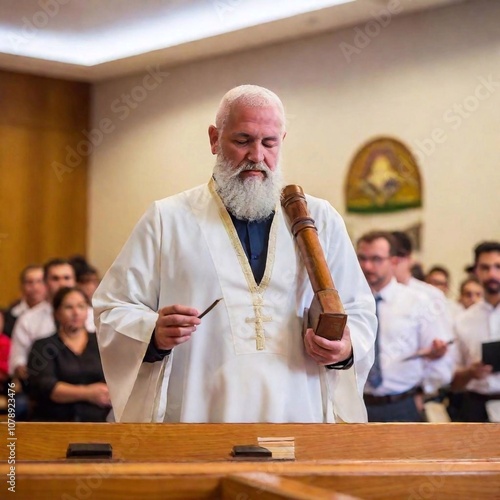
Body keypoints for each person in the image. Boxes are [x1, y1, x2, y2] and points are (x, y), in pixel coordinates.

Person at [93, 84, 377, 423]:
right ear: (214, 139)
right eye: (243, 141)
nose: (257, 156)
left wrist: (344, 349)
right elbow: (112, 308)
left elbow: (359, 310)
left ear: (282, 141)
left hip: (299, 415)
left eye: (269, 143)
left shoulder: (321, 219)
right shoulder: (166, 219)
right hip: (198, 416)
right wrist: (152, 331)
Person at [356, 231, 454, 422]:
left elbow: (440, 354)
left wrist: (424, 393)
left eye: (376, 259)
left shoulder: (418, 302)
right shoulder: (348, 301)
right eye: (362, 258)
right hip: (358, 404)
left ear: (393, 261)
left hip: (403, 403)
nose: (367, 266)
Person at [27, 287, 110, 421]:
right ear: (56, 313)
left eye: (81, 306)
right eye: (68, 307)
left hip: (99, 419)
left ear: (87, 312)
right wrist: (89, 393)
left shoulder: (101, 342)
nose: (76, 312)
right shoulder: (43, 346)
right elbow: (48, 388)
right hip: (54, 419)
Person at [9, 259, 95, 384]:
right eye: (55, 278)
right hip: (42, 381)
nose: (62, 283)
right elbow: (18, 358)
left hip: (88, 379)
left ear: (74, 281)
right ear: (45, 282)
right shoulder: (28, 319)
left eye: (67, 278)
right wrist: (22, 368)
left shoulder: (92, 316)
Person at [452, 241, 500, 422]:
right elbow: (454, 383)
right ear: (476, 271)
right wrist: (470, 372)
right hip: (475, 407)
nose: (492, 274)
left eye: (498, 267)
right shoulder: (463, 320)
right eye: (485, 268)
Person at [3, 265, 47, 337]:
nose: (35, 287)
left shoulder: (54, 314)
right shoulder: (9, 316)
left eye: (40, 281)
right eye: (29, 282)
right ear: (22, 286)